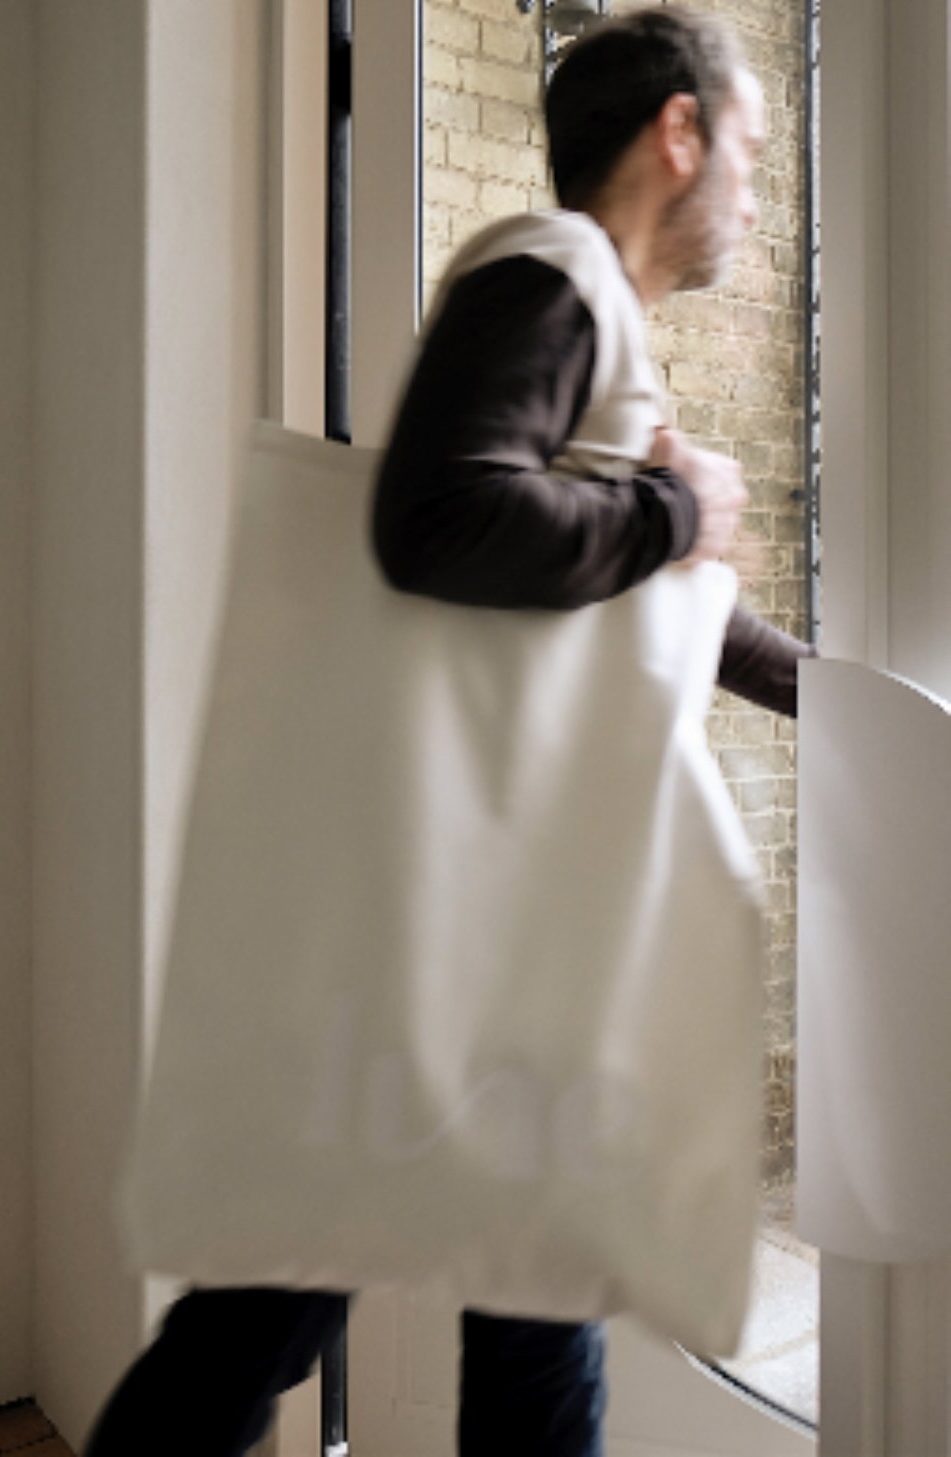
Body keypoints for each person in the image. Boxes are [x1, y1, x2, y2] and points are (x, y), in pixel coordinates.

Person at [84, 9, 812, 1455]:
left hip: (491, 931)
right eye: (750, 148)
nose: (755, 190)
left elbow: (648, 598)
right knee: (285, 1313)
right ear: (680, 133)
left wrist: (837, 692)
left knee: (504, 1297)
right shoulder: (552, 275)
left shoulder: (591, 312)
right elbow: (440, 519)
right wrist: (678, 509)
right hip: (447, 928)